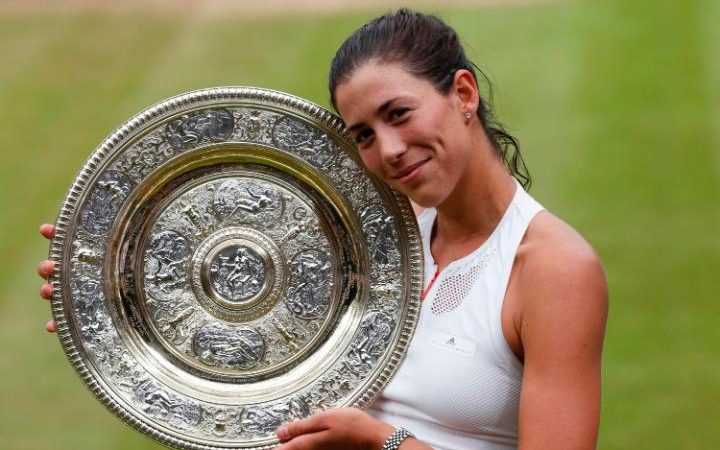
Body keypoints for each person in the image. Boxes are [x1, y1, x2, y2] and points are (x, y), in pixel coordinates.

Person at [37, 9, 608, 450]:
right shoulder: (367, 237)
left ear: (462, 93)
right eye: (362, 135)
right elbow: (256, 329)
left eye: (398, 114)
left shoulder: (555, 269)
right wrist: (104, 294)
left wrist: (378, 441)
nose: (388, 151)